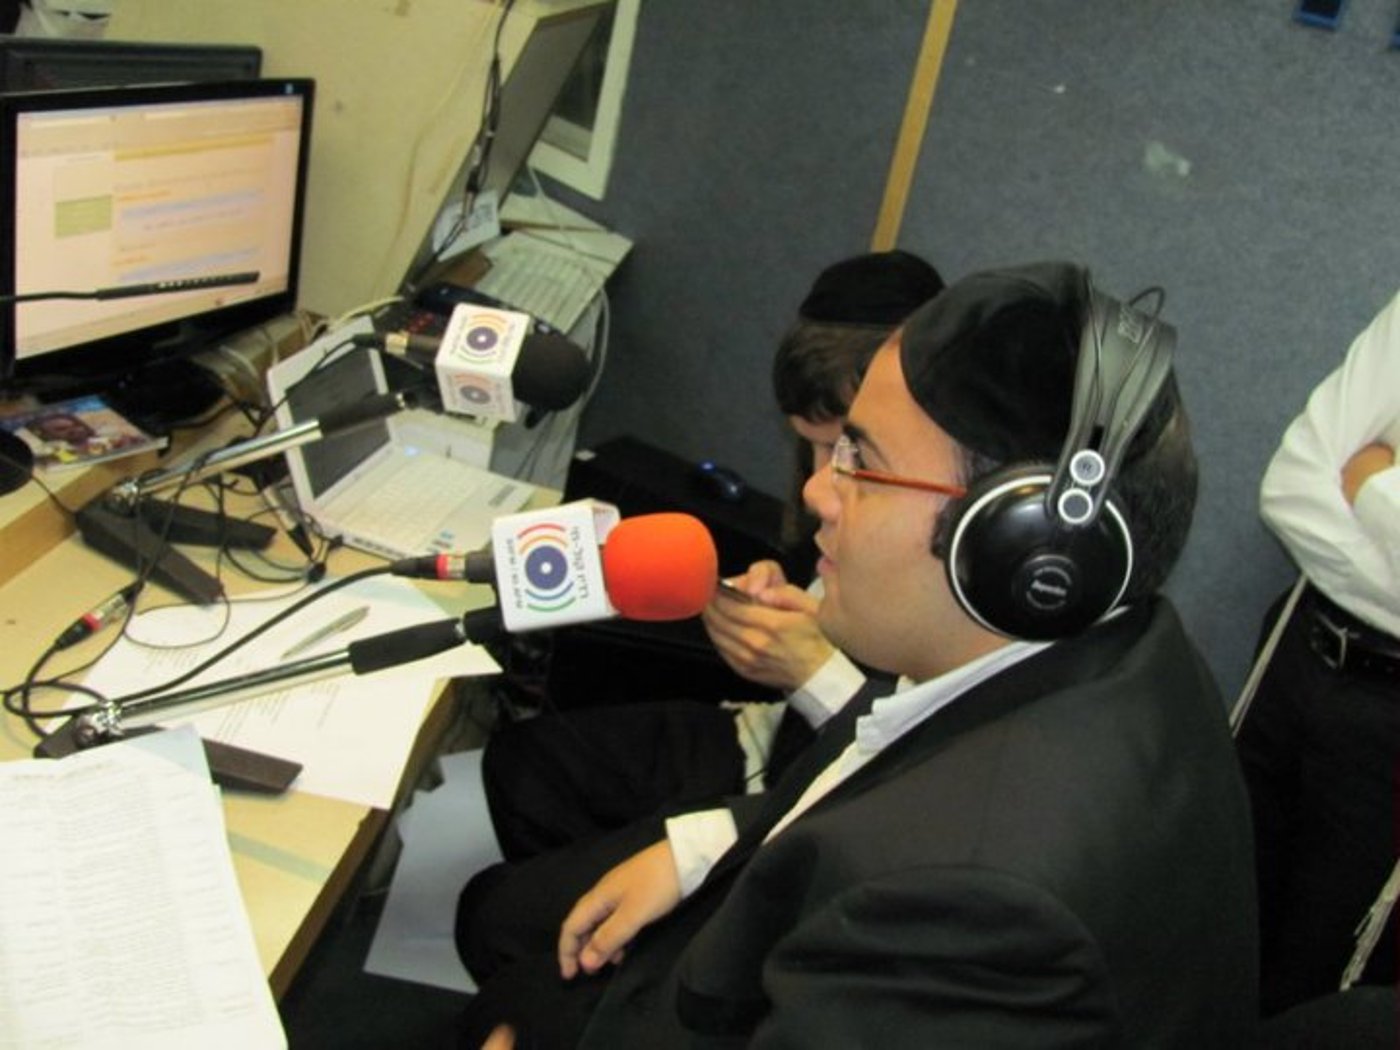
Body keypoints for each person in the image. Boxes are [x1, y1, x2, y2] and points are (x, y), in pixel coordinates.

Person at [455, 260, 1259, 1047]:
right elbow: (882, 769)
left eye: (861, 463)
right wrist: (704, 848)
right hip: (773, 925)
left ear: (1020, 544)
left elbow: (922, 852)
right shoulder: (1117, 655)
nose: (815, 492)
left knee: (501, 988)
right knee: (502, 936)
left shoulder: (983, 911)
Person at [480, 250, 944, 862]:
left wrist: (812, 670)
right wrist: (796, 597)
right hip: (772, 735)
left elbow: (908, 788)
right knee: (525, 766)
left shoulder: (953, 568)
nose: (815, 483)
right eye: (808, 446)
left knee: (508, 896)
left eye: (841, 450)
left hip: (810, 797)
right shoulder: (836, 491)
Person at [1234, 288, 1400, 1019]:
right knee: (1209, 914)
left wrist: (1368, 483)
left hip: (1390, 733)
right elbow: (1291, 484)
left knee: (1316, 992)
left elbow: (1336, 475)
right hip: (1295, 656)